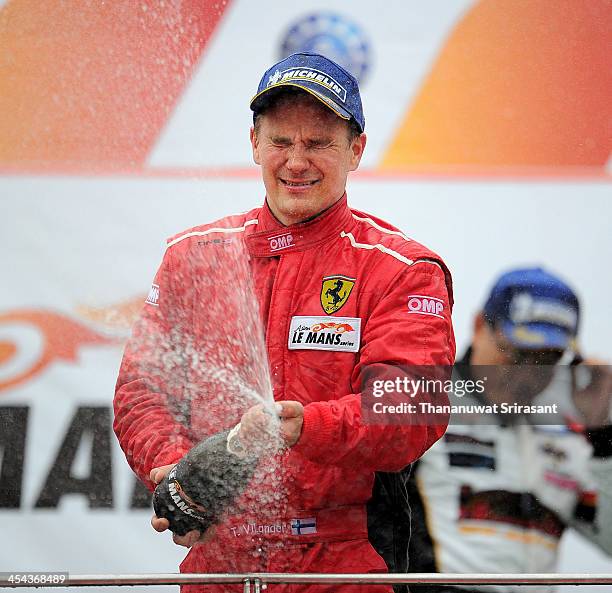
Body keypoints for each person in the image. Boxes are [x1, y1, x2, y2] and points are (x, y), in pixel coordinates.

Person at [113, 52, 456, 593]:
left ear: (356, 150)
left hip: (342, 567)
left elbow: (410, 411)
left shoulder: (402, 270)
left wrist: (306, 427)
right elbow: (141, 392)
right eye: (281, 142)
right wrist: (184, 474)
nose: (297, 161)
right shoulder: (193, 256)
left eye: (319, 143)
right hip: (216, 568)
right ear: (255, 144)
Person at [369, 267, 612, 593]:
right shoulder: (421, 401)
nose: (530, 374)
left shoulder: (574, 433)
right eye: (519, 353)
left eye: (548, 359)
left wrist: (603, 435)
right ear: (480, 325)